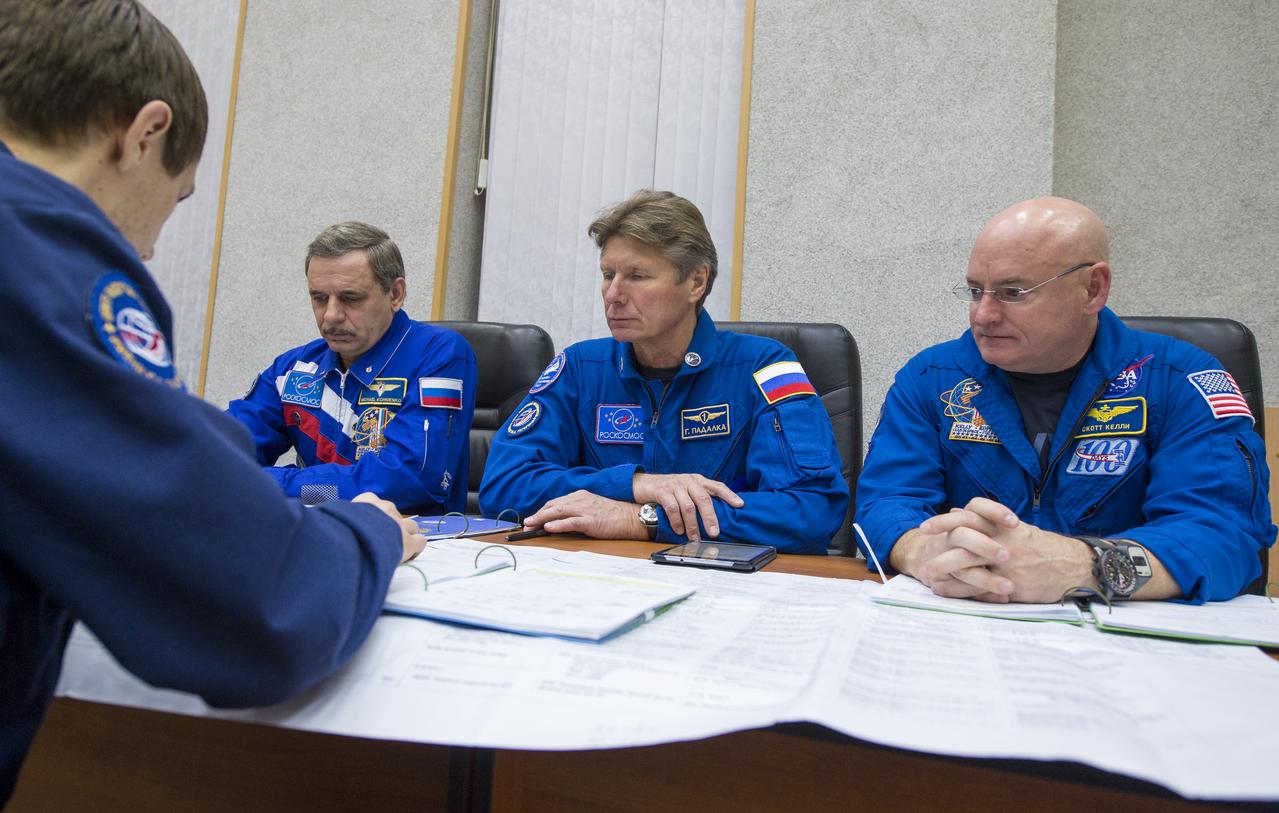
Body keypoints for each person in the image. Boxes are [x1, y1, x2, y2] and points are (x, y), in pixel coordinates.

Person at [0, 2, 424, 801]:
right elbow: (264, 600)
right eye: (177, 197)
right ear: (143, 134)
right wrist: (365, 524)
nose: (153, 246)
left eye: (351, 296)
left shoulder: (439, 355)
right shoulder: (38, 256)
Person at [855, 196, 1274, 604]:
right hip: (968, 626)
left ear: (1092, 289)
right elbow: (885, 502)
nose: (983, 315)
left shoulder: (1180, 380)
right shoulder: (933, 378)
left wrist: (1086, 567)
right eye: (974, 291)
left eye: (1012, 292)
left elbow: (1223, 533)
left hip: (1128, 641)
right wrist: (921, 552)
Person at [479, 190, 849, 552]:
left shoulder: (764, 367)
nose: (613, 294)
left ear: (696, 282)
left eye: (638, 276)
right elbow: (503, 485)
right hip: (598, 583)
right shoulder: (580, 367)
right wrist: (637, 484)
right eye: (608, 274)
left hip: (722, 585)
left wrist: (642, 519)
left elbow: (812, 510)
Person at [227, 222, 477, 513]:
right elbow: (218, 454)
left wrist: (278, 486)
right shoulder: (294, 369)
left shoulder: (439, 354)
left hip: (414, 546)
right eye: (319, 298)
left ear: (395, 294)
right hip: (312, 536)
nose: (331, 315)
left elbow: (407, 481)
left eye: (351, 298)